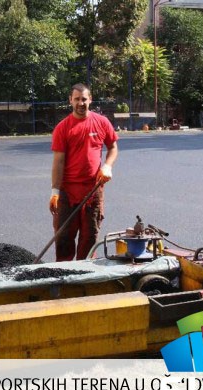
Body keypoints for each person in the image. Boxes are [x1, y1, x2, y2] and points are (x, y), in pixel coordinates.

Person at [49, 83, 119, 261]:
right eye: (77, 99)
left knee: (89, 238)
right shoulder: (63, 128)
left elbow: (113, 148)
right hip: (67, 192)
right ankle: (63, 272)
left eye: (84, 99)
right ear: (70, 100)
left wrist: (107, 166)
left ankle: (84, 271)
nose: (81, 103)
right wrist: (55, 192)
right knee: (64, 237)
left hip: (93, 190)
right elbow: (58, 162)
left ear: (90, 100)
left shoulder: (102, 122)